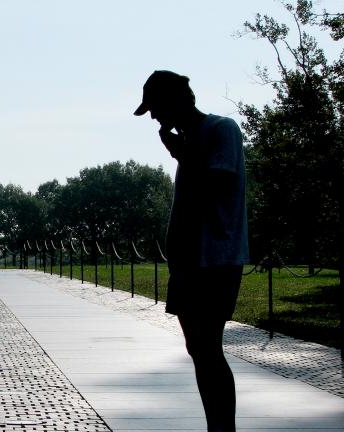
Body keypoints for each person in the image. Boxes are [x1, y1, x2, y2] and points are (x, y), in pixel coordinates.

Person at [134, 70, 249, 432]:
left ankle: (222, 428)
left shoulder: (220, 130)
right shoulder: (192, 140)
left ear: (177, 101)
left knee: (209, 348)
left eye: (155, 108)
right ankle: (216, 425)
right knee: (199, 350)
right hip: (187, 264)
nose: (153, 117)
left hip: (214, 259)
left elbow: (218, 184)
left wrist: (184, 155)